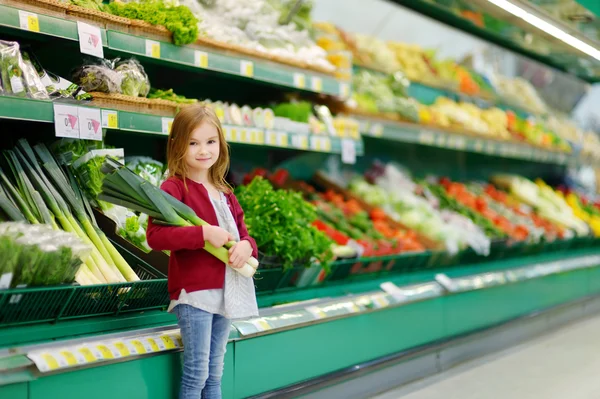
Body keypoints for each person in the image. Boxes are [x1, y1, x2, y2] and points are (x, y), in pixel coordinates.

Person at [146, 104, 259, 399]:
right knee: (196, 373)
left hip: (226, 292)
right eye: (192, 143)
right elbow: (155, 236)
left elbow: (244, 234)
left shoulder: (225, 192)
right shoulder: (173, 188)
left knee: (214, 373)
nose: (203, 150)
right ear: (177, 146)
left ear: (221, 144)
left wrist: (247, 246)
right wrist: (203, 233)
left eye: (211, 142)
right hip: (194, 295)